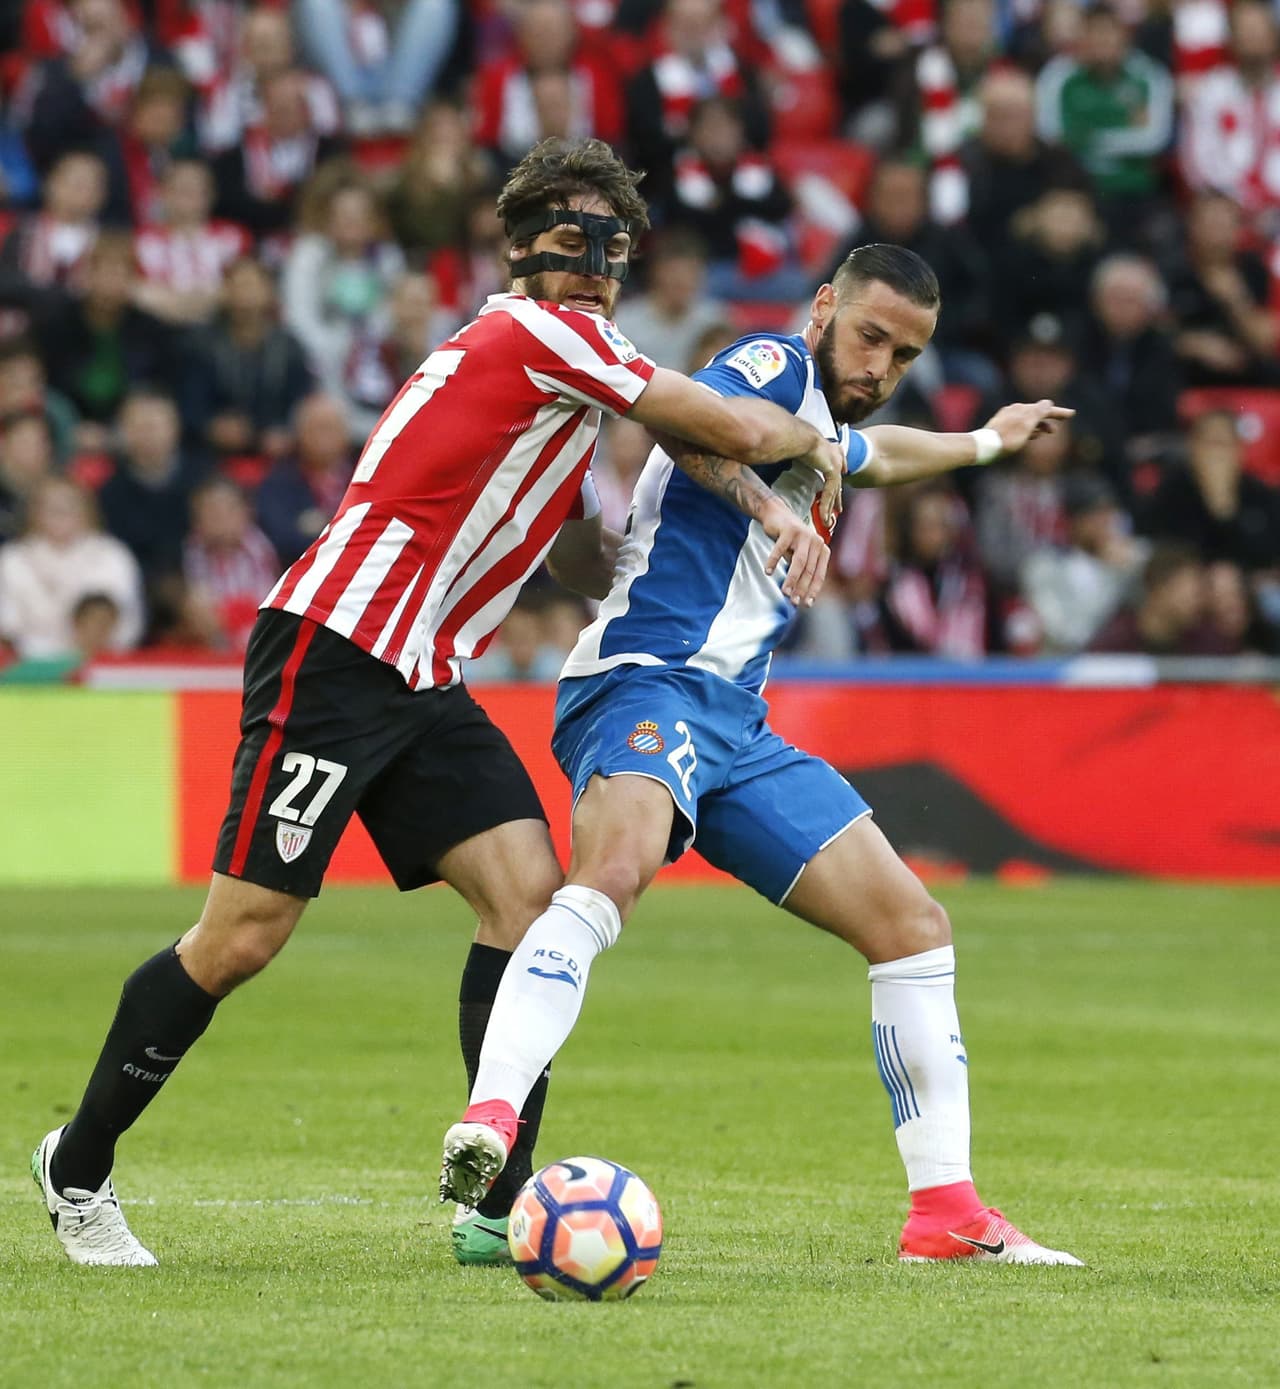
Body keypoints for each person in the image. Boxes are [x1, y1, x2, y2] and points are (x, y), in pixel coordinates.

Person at [30, 136, 843, 1269]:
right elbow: (730, 420)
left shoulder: (553, 374)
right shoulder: (537, 333)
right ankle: (77, 1171)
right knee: (242, 937)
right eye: (572, 236)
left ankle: (494, 1199)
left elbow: (560, 545)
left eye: (610, 241)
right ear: (520, 247)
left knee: (524, 899)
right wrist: (815, 450)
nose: (594, 260)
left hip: (422, 674)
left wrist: (629, 568)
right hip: (335, 650)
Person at [440, 242, 1085, 1267]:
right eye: (869, 335)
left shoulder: (825, 424)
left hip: (734, 723)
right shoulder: (772, 366)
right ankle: (492, 1117)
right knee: (613, 873)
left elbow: (880, 456)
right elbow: (678, 419)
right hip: (641, 679)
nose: (878, 366)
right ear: (822, 307)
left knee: (910, 925)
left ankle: (946, 1215)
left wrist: (983, 444)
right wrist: (771, 502)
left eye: (903, 354)